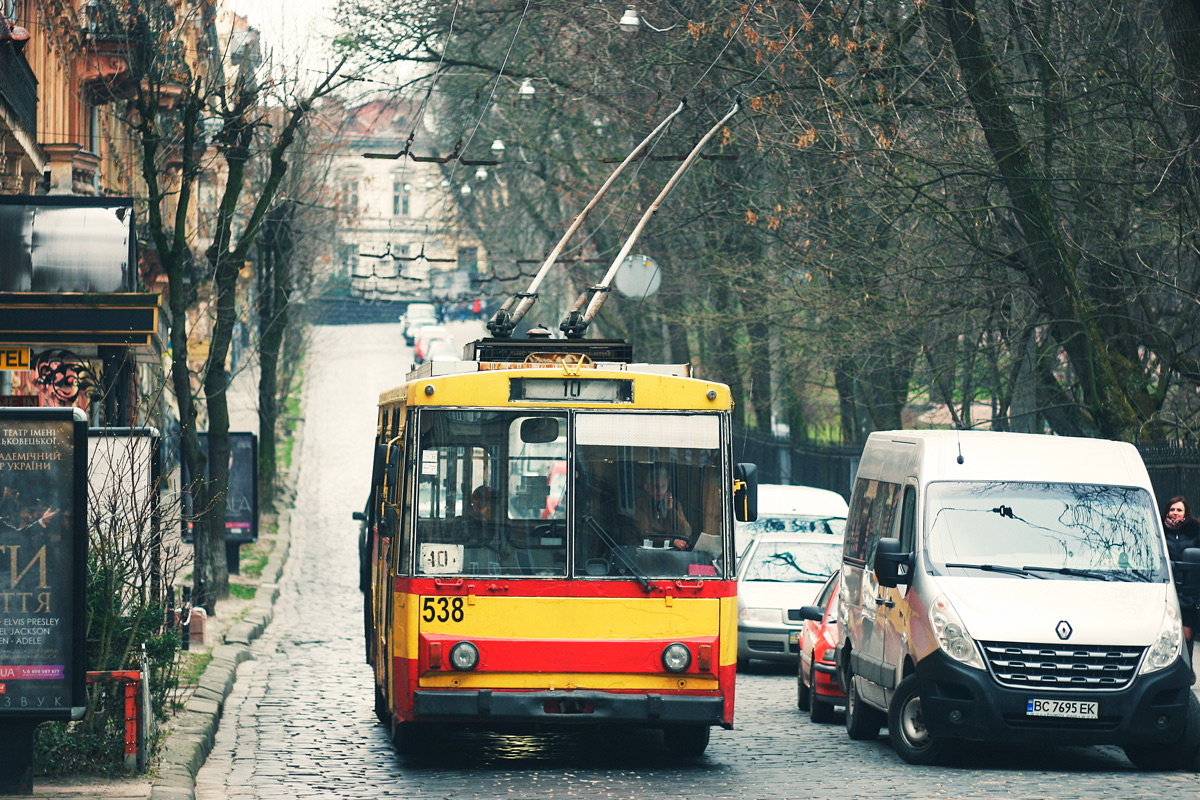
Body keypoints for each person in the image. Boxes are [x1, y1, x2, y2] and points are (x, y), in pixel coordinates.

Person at [1163, 496, 1200, 663]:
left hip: (1188, 588)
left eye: (1179, 510)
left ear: (1186, 513)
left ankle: (1188, 665)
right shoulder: (1161, 530)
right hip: (1167, 586)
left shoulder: (1195, 531)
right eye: (1172, 509)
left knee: (1186, 634)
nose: (1175, 513)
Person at [635, 466, 691, 549]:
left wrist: (670, 510)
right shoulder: (640, 505)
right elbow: (645, 534)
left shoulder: (675, 504)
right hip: (645, 553)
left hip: (672, 554)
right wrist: (672, 541)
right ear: (647, 487)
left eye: (663, 486)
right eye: (656, 487)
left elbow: (686, 532)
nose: (660, 491)